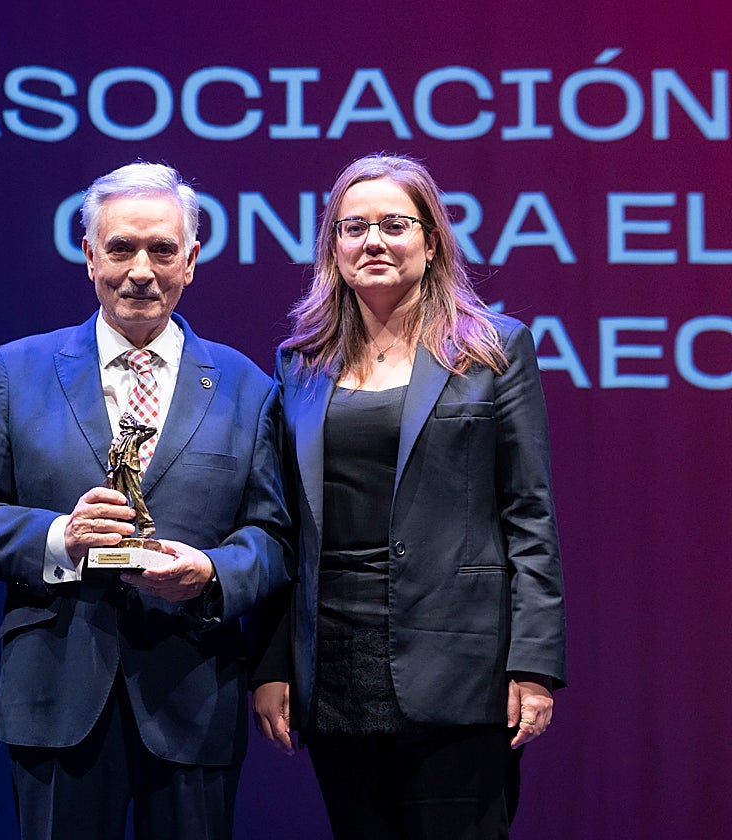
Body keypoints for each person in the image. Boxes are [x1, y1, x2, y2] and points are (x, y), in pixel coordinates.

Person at [0, 162, 290, 840]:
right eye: (121, 248)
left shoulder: (250, 388)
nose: (141, 269)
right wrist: (59, 539)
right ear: (89, 256)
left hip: (194, 691)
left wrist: (213, 573)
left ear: (191, 260)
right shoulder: (14, 372)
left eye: (162, 250)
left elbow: (275, 539)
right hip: (56, 693)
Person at [252, 154, 566, 839]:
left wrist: (534, 666)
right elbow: (284, 529)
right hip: (334, 662)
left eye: (394, 225)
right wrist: (272, 665)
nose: (373, 241)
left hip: (459, 664)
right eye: (352, 226)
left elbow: (528, 515)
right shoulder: (299, 361)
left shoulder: (492, 349)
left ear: (430, 241)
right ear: (332, 248)